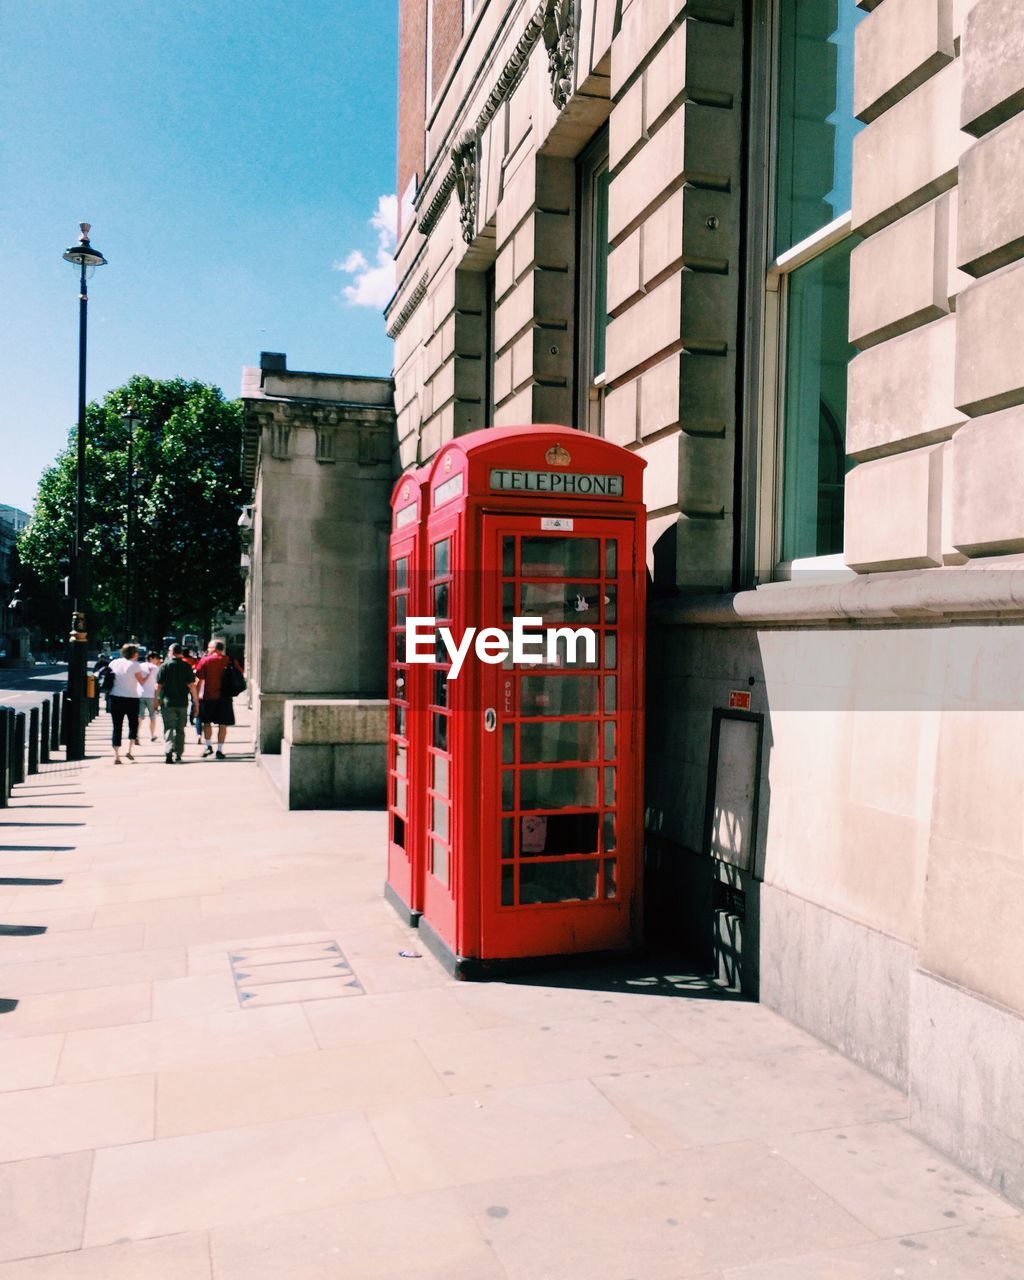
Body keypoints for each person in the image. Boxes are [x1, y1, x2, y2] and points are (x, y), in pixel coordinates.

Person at [194, 638, 242, 760]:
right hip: (225, 697)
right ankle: (220, 750)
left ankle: (208, 746)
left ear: (214, 648)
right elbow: (240, 673)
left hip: (208, 696)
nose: (208, 650)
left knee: (206, 722)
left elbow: (199, 679)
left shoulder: (205, 660)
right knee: (223, 724)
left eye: (209, 648)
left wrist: (196, 698)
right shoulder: (230, 660)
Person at [154, 643, 198, 763]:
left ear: (171, 652)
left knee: (169, 727)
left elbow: (158, 686)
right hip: (182, 703)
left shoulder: (164, 666)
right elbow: (192, 686)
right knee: (180, 729)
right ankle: (178, 752)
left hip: (168, 702)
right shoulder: (187, 666)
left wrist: (156, 701)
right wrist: (196, 703)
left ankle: (168, 751)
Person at [107, 643, 146, 764]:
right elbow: (142, 682)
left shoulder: (114, 663)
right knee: (133, 725)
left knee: (116, 726)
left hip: (115, 697)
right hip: (131, 698)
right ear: (134, 653)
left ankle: (116, 756)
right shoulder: (135, 665)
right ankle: (129, 750)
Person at [137, 650, 159, 742]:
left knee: (139, 716)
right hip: (151, 694)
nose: (157, 660)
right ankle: (152, 735)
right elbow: (158, 683)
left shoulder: (139, 666)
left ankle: (136, 735)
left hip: (140, 694)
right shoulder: (156, 668)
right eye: (156, 658)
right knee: (152, 716)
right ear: (151, 658)